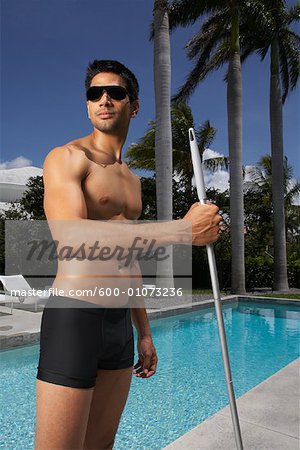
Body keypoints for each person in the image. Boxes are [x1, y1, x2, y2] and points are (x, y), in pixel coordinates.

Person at [34, 60, 222, 450]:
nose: (103, 100)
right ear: (87, 106)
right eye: (94, 94)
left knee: (101, 446)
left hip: (119, 322)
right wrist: (183, 230)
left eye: (115, 93)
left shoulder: (133, 181)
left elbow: (129, 259)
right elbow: (69, 236)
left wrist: (146, 332)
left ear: (133, 106)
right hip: (76, 313)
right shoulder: (67, 158)